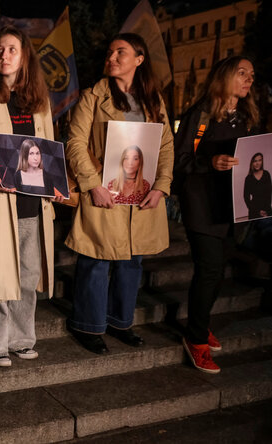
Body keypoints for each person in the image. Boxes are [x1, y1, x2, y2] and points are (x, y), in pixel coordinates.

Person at [64, 33, 174, 355]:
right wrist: (93, 185)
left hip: (140, 196)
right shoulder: (92, 97)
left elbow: (165, 145)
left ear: (139, 59)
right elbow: (75, 143)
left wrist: (161, 187)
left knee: (131, 262)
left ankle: (119, 322)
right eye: (109, 51)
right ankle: (88, 325)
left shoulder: (153, 99)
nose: (111, 57)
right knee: (95, 261)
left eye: (120, 52)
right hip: (104, 193)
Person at [0, 25, 59, 367]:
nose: (4, 55)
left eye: (12, 50)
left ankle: (21, 339)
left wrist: (56, 180)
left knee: (28, 275)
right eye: (0, 50)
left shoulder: (39, 103)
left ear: (25, 56)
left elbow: (48, 153)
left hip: (33, 206)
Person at [174, 56, 258, 373]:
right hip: (202, 207)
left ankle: (201, 321)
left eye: (251, 74)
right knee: (209, 270)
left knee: (219, 271)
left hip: (234, 207)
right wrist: (210, 163)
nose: (249, 79)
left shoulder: (248, 117)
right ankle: (195, 340)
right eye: (241, 73)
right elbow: (179, 160)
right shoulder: (201, 114)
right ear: (224, 77)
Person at [244, 152, 271, 220]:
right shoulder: (248, 178)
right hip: (254, 210)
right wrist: (257, 211)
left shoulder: (266, 174)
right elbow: (246, 197)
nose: (257, 163)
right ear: (252, 163)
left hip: (267, 208)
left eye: (260, 160)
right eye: (255, 161)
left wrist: (266, 210)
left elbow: (269, 193)